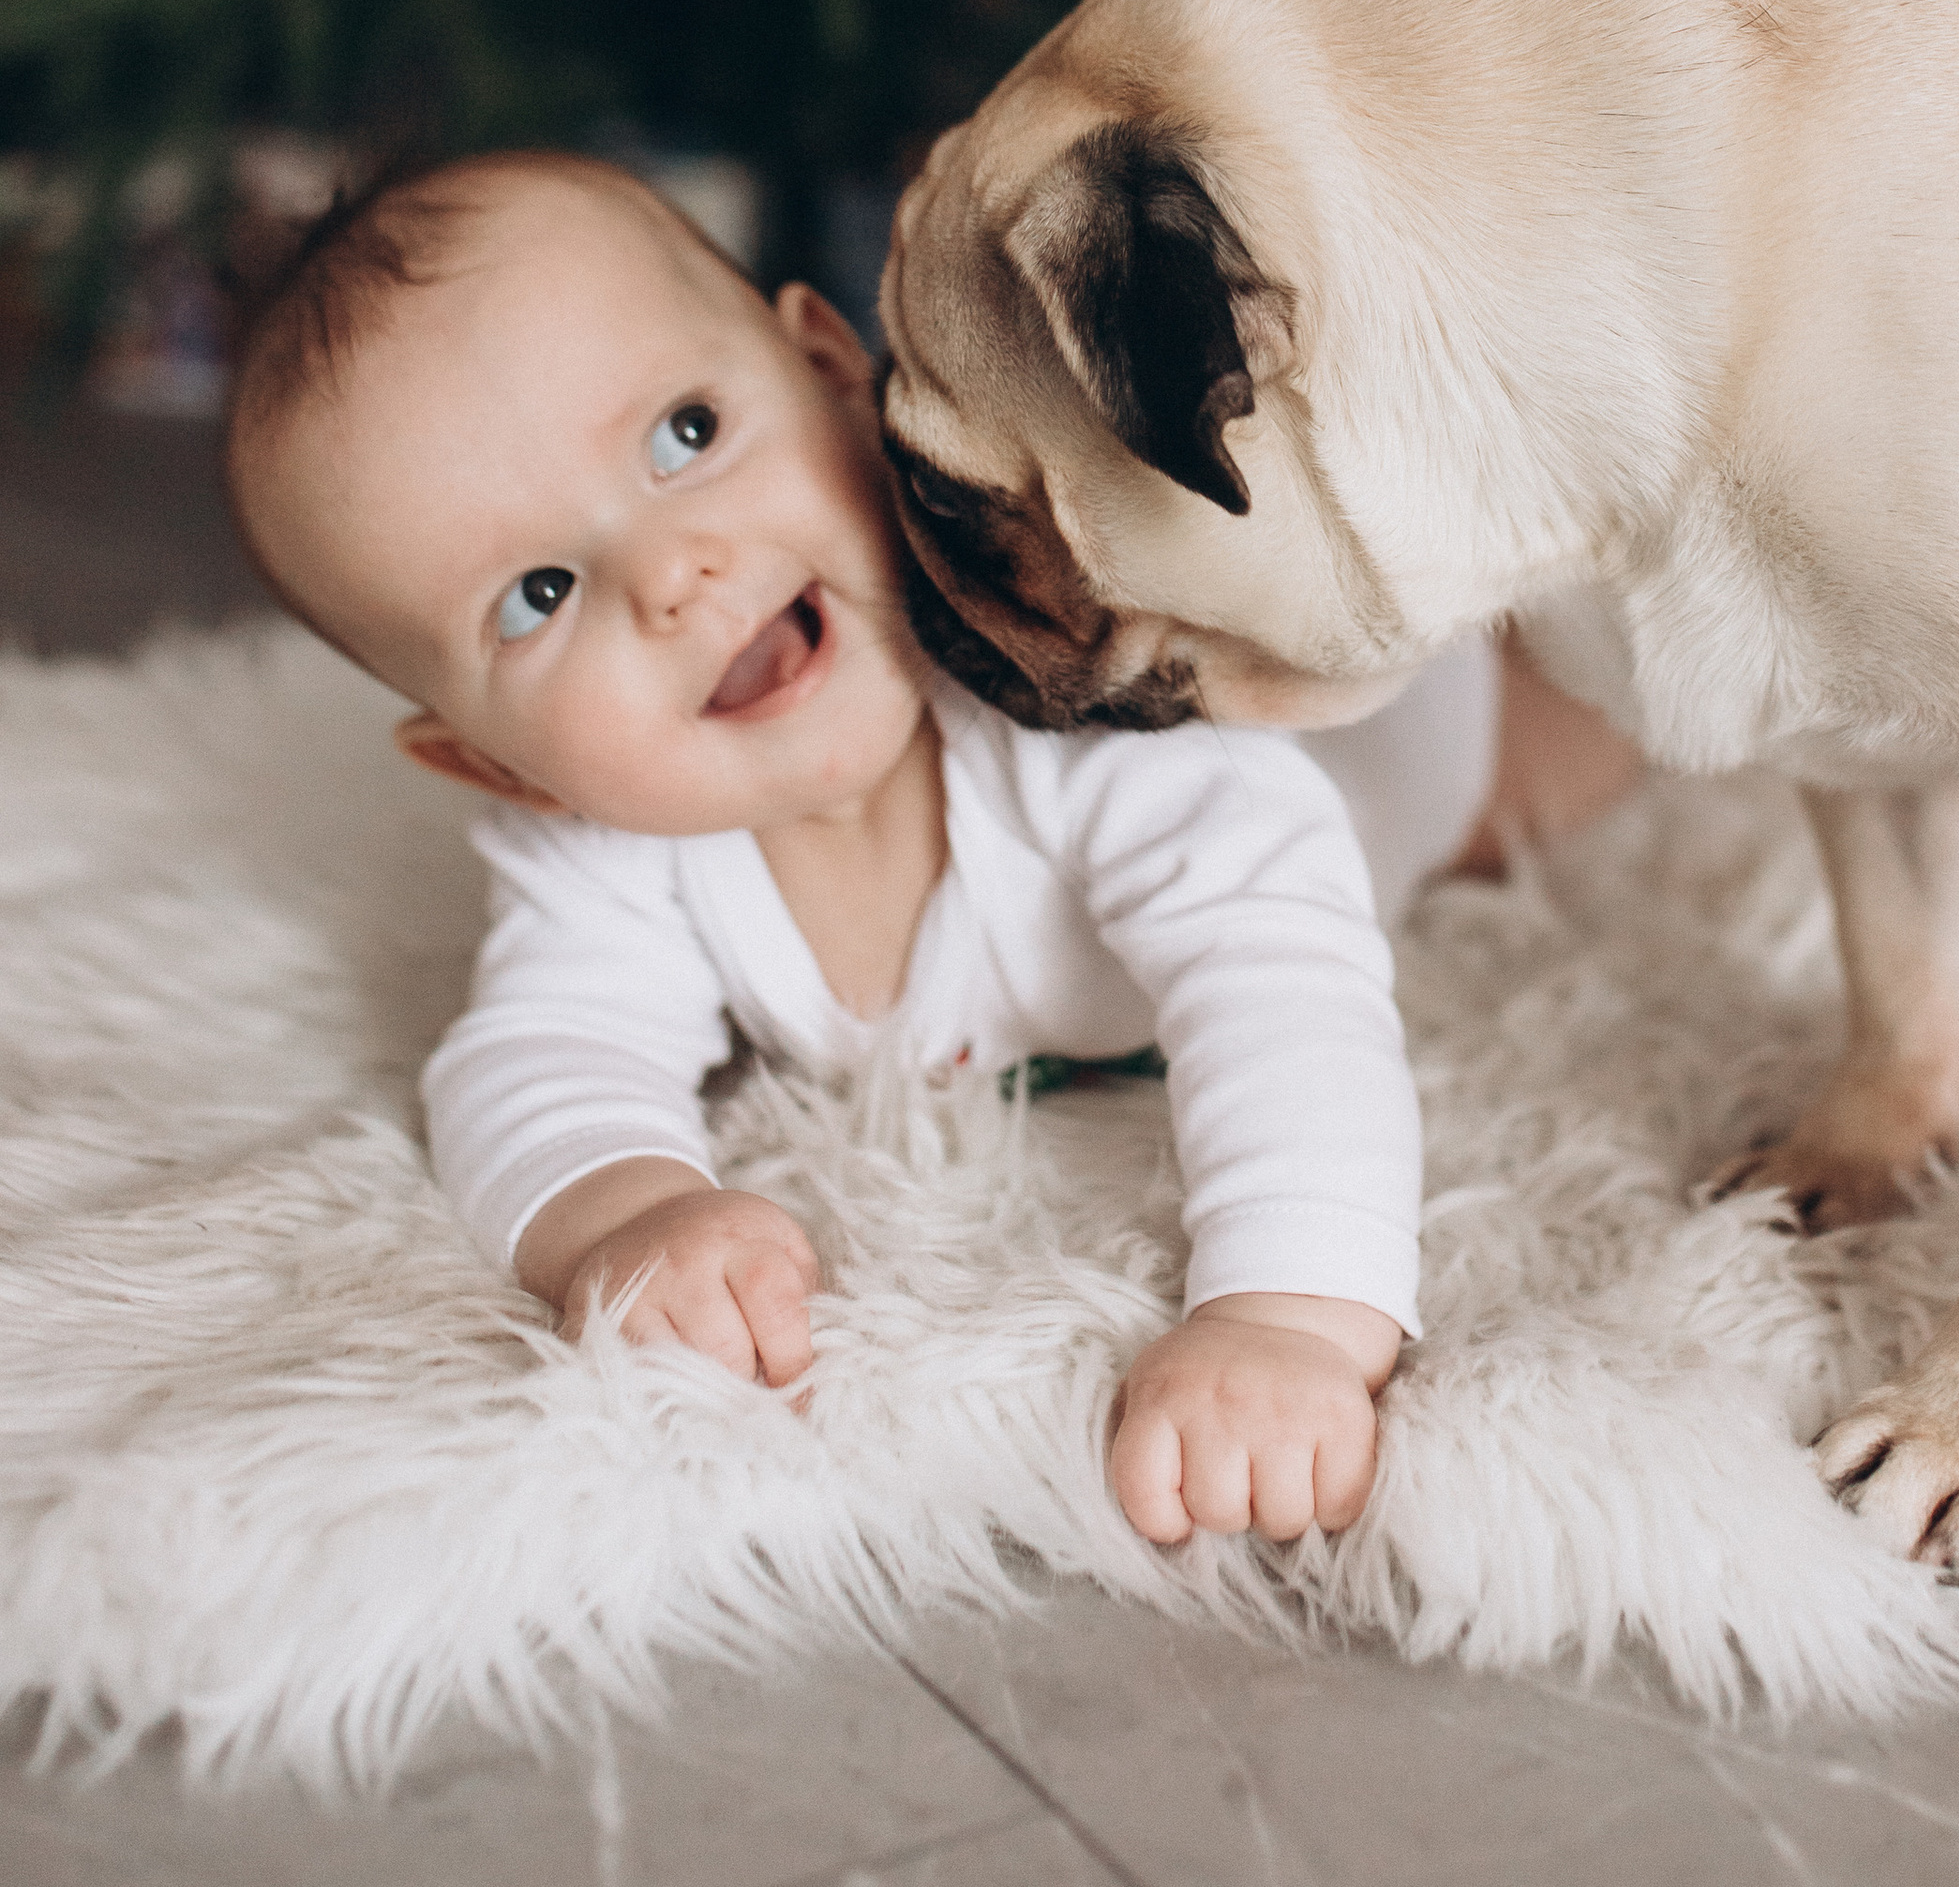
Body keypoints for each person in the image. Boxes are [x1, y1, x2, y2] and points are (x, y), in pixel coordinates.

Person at [223, 154, 1641, 1548]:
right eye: (537, 595)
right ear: (492, 763)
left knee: (1607, 709)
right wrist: (624, 1218)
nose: (673, 573)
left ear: (836, 372)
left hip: (1402, 727)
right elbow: (537, 1055)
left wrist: (1288, 1319)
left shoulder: (1082, 694)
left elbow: (1283, 988)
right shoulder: (606, 845)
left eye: (687, 436)